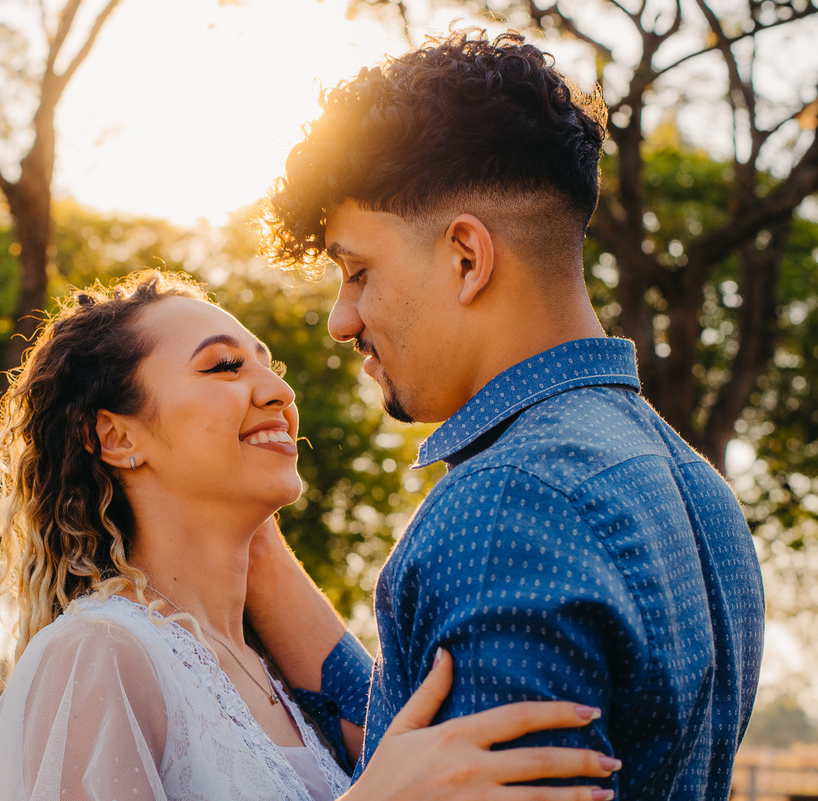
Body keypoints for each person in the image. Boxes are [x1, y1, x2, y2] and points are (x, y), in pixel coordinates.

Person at [249, 26, 766, 801]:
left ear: (467, 257)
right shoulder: (698, 489)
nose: (341, 319)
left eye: (358, 272)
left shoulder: (504, 508)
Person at [0, 270, 621, 801]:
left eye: (267, 364)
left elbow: (386, 728)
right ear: (117, 436)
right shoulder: (98, 652)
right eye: (223, 368)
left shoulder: (273, 672)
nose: (277, 389)